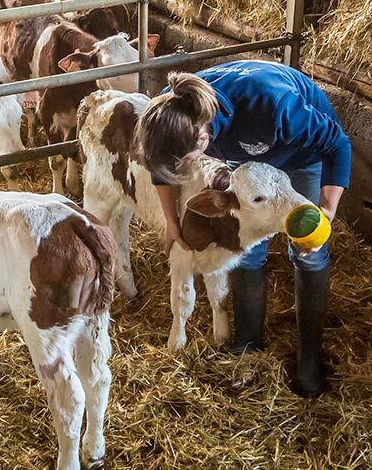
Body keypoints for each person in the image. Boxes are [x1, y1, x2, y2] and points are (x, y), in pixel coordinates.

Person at [136, 59, 351, 398]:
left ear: (204, 137)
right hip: (246, 156)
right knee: (247, 245)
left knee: (307, 248)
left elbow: (337, 144)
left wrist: (326, 210)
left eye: (187, 157)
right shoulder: (171, 109)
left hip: (300, 152)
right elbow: (164, 169)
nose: (183, 165)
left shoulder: (273, 106)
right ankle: (248, 344)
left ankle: (307, 360)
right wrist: (171, 223)